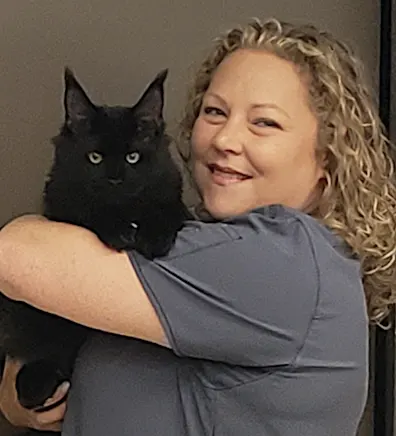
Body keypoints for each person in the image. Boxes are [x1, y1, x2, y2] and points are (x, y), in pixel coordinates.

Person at [0, 17, 395, 436]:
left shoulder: (287, 259)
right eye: (215, 111)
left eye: (264, 122)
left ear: (328, 155)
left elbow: (15, 256)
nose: (225, 139)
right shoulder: (208, 261)